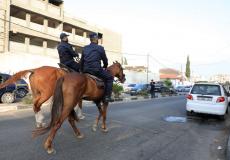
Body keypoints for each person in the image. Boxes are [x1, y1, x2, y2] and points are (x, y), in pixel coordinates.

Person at [81, 32, 114, 102]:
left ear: (90, 39)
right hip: (96, 70)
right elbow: (105, 60)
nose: (98, 40)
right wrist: (105, 66)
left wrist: (81, 70)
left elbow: (82, 61)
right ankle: (107, 97)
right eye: (97, 39)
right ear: (96, 39)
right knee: (110, 77)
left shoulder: (85, 48)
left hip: (86, 70)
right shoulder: (100, 48)